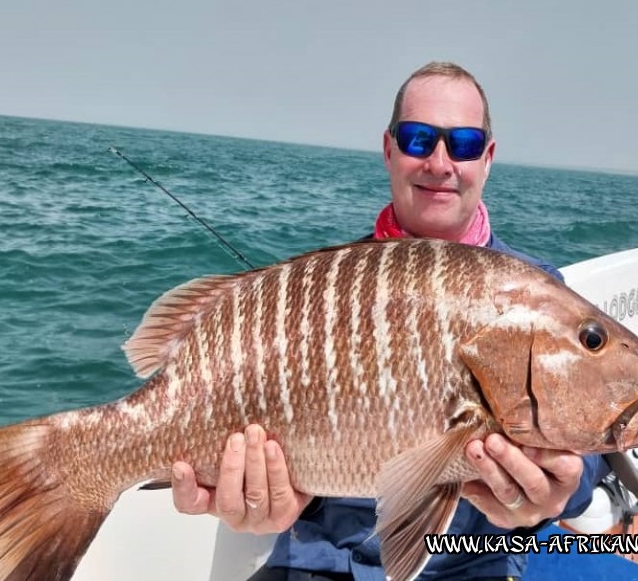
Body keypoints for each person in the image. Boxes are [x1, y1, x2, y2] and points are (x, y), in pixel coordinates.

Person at [170, 62, 610, 580]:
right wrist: (272, 499)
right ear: (389, 150)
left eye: (464, 143)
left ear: (487, 158)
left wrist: (562, 490)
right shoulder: (319, 288)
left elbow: (590, 446)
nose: (440, 162)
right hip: (317, 558)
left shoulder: (540, 292)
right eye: (418, 138)